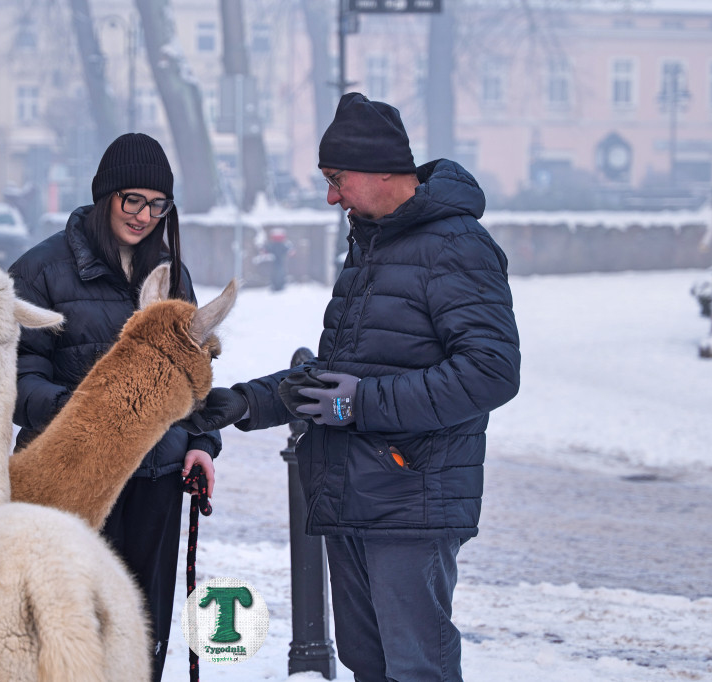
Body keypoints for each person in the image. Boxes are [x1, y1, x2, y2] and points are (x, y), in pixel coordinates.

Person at [182, 93, 521, 682]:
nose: (331, 196)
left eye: (337, 180)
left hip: (412, 498)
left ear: (381, 169)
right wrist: (247, 402)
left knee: (417, 669)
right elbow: (339, 372)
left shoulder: (456, 246)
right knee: (368, 665)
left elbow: (492, 371)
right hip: (353, 494)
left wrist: (362, 404)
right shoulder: (371, 243)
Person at [8, 132, 221, 681]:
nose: (145, 216)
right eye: (134, 200)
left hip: (155, 474)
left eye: (158, 205)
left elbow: (192, 372)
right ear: (107, 195)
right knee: (67, 624)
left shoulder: (172, 274)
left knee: (141, 626)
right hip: (67, 477)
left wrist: (201, 443)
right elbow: (17, 378)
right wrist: (88, 420)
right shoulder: (40, 270)